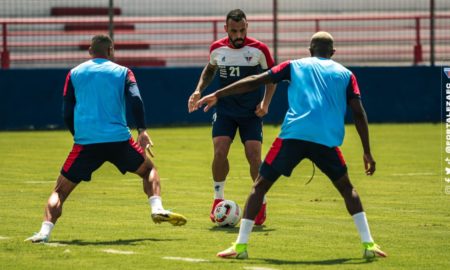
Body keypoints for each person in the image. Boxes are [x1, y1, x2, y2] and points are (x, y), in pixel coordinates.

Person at [194, 31, 387, 259]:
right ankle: (369, 245)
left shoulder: (294, 65)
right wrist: (366, 151)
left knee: (259, 187)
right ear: (333, 53)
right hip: (325, 140)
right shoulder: (346, 74)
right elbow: (358, 112)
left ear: (309, 50)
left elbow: (255, 80)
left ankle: (240, 247)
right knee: (347, 188)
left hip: (294, 135)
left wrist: (218, 93)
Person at [25, 34, 187, 243]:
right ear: (111, 51)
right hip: (119, 141)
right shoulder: (123, 72)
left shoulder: (74, 73)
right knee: (149, 170)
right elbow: (136, 99)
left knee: (60, 191)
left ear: (90, 52)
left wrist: (78, 135)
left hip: (86, 142)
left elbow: (66, 111)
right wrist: (142, 130)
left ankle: (44, 233)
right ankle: (157, 208)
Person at [188, 9, 276, 226]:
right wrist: (199, 90)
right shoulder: (217, 48)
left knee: (254, 156)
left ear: (247, 27)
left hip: (251, 113)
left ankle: (260, 202)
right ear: (226, 29)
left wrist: (265, 103)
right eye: (234, 30)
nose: (239, 35)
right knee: (219, 152)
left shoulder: (259, 49)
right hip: (225, 111)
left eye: (242, 30)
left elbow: (272, 78)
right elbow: (210, 70)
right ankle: (218, 197)